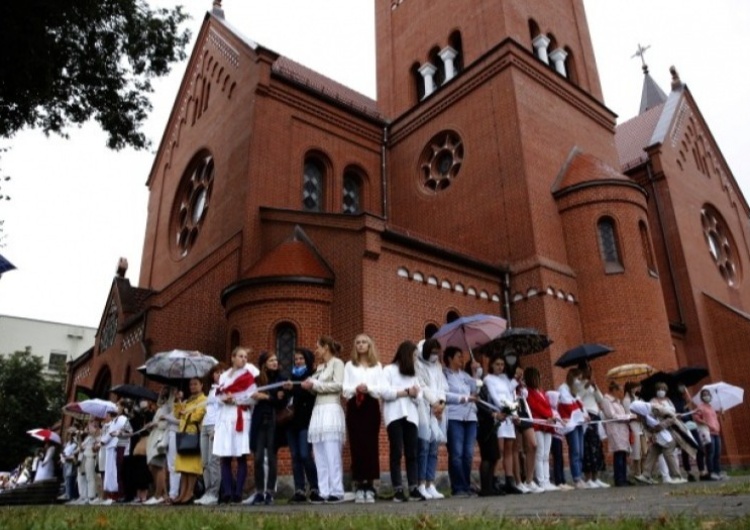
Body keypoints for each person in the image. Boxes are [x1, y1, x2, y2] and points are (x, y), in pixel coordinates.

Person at [301, 336, 346, 503]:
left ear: (326, 347)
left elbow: (338, 385)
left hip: (331, 408)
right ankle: (324, 490)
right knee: (319, 452)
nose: (316, 350)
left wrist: (315, 385)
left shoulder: (338, 363)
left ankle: (336, 490)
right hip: (318, 410)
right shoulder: (320, 367)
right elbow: (315, 390)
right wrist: (309, 385)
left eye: (318, 347)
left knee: (331, 451)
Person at [213, 346, 259, 504]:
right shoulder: (224, 376)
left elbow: (252, 398)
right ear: (233, 357)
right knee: (225, 456)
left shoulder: (248, 375)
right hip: (225, 417)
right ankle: (227, 491)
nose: (244, 359)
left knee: (240, 455)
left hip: (240, 416)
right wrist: (224, 399)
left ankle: (238, 492)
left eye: (246, 357)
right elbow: (218, 395)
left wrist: (236, 400)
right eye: (241, 356)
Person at [342, 333, 383, 503]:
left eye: (364, 342)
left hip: (371, 405)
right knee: (357, 445)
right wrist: (356, 388)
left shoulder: (377, 366)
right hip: (355, 406)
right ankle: (359, 486)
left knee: (371, 445)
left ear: (369, 345)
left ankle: (370, 486)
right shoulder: (350, 366)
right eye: (357, 342)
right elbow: (344, 388)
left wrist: (369, 387)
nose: (360, 345)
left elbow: (381, 387)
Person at [381, 340, 422, 502]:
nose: (416, 359)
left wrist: (414, 394)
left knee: (412, 453)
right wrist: (407, 392)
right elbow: (385, 392)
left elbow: (419, 396)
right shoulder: (389, 370)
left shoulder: (413, 374)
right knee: (396, 452)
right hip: (394, 416)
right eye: (414, 356)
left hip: (412, 416)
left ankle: (413, 488)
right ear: (406, 355)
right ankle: (398, 489)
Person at [246, 352, 285, 506]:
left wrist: (266, 397)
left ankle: (269, 492)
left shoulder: (281, 379)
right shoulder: (257, 380)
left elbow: (282, 402)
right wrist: (264, 396)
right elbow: (250, 397)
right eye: (271, 360)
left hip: (273, 421)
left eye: (276, 359)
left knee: (272, 457)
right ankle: (259, 491)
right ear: (264, 364)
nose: (275, 362)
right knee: (258, 457)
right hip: (259, 420)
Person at [284, 348, 322, 504]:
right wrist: (285, 392)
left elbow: (309, 395)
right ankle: (299, 489)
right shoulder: (290, 378)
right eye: (296, 359)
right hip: (291, 423)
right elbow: (287, 399)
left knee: (305, 455)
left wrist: (295, 388)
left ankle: (314, 488)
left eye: (301, 359)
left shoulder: (312, 377)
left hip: (306, 421)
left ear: (307, 360)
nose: (298, 361)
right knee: (295, 457)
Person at [442, 346, 478, 497]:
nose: (462, 359)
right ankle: (458, 487)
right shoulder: (444, 374)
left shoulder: (465, 375)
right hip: (454, 417)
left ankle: (466, 485)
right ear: (450, 358)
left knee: (468, 454)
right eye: (458, 356)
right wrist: (463, 398)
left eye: (462, 357)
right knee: (456, 453)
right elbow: (445, 395)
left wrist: (475, 373)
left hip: (470, 417)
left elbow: (475, 391)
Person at [484, 353, 522, 494]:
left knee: (509, 449)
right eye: (497, 364)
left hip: (509, 416)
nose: (500, 367)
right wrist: (506, 409)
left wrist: (514, 413)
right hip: (499, 415)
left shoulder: (505, 379)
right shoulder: (488, 379)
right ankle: (494, 479)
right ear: (491, 365)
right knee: (499, 450)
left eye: (502, 364)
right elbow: (495, 397)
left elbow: (509, 394)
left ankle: (509, 480)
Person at [415, 338, 447, 500]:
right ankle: (421, 483)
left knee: (434, 448)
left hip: (437, 410)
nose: (435, 356)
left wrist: (441, 403)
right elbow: (421, 385)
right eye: (433, 353)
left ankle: (431, 483)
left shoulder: (438, 366)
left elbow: (442, 386)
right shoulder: (418, 363)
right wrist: (434, 402)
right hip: (424, 408)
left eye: (437, 353)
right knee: (424, 447)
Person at [194, 362, 227, 506]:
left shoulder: (226, 389)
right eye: (216, 373)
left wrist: (218, 428)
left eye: (222, 372)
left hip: (215, 426)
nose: (219, 375)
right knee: (205, 462)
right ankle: (207, 492)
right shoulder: (211, 391)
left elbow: (224, 411)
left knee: (214, 462)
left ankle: (214, 493)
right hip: (205, 426)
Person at [629, 400, 684, 485]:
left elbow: (672, 417)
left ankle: (677, 476)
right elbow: (647, 428)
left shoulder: (656, 408)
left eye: (635, 412)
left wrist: (660, 426)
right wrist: (652, 433)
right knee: (652, 452)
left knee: (668, 453)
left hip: (669, 434)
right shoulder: (643, 416)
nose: (636, 414)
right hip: (658, 437)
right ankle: (646, 475)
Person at [524, 366, 558, 491]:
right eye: (538, 376)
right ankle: (541, 480)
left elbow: (547, 406)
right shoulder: (529, 392)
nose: (540, 378)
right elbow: (535, 406)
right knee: (539, 453)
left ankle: (547, 480)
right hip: (538, 424)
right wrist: (548, 416)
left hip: (547, 424)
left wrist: (551, 416)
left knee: (546, 454)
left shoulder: (542, 392)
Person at [174, 377, 207, 504]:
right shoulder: (188, 401)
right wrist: (178, 401)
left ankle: (190, 493)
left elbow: (198, 415)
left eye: (195, 384)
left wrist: (186, 412)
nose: (192, 386)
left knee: (192, 467)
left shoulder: (203, 400)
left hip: (193, 435)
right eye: (191, 384)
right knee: (183, 468)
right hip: (184, 434)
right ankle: (182, 493)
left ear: (201, 385)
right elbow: (177, 414)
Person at [576, 365, 609, 488]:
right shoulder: (578, 384)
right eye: (587, 370)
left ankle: (596, 477)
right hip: (586, 414)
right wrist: (585, 386)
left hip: (595, 415)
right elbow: (578, 398)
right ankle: (588, 477)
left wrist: (595, 388)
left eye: (590, 370)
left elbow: (600, 399)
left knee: (596, 446)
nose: (589, 372)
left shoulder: (592, 384)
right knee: (588, 446)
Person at [512, 363, 541, 493]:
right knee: (516, 448)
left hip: (524, 410)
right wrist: (514, 380)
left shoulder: (521, 383)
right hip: (512, 409)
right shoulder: (509, 380)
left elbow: (525, 395)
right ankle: (518, 481)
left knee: (533, 445)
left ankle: (529, 480)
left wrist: (522, 385)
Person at [144, 386, 175, 505]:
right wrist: (151, 426)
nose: (161, 392)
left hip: (161, 438)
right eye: (161, 390)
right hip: (154, 437)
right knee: (153, 465)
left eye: (163, 391)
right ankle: (163, 494)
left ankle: (157, 496)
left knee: (159, 466)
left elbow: (165, 423)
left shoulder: (169, 406)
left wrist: (155, 424)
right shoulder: (161, 407)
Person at [599, 381, 633, 487]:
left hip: (622, 429)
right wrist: (626, 417)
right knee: (618, 453)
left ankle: (624, 477)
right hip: (615, 429)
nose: (621, 392)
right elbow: (611, 415)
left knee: (623, 453)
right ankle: (619, 479)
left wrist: (628, 416)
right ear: (614, 390)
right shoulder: (607, 400)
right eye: (620, 390)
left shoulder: (618, 401)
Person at [557, 368, 586, 489]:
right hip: (570, 424)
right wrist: (580, 413)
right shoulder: (563, 388)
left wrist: (585, 414)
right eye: (578, 379)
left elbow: (580, 404)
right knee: (575, 450)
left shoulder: (575, 391)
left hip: (578, 422)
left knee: (581, 451)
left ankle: (580, 475)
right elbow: (568, 405)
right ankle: (576, 477)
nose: (579, 381)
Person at [685, 387, 722, 481]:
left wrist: (720, 413)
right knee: (711, 453)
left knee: (717, 453)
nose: (707, 396)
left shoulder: (711, 407)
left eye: (708, 394)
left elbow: (713, 418)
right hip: (708, 432)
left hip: (716, 432)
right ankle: (711, 472)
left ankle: (718, 472)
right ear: (702, 397)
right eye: (704, 395)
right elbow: (696, 417)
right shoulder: (700, 407)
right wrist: (707, 424)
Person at [622, 382, 646, 482]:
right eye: (635, 387)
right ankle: (637, 473)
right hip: (634, 426)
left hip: (641, 427)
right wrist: (638, 417)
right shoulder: (626, 400)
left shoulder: (637, 399)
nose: (637, 389)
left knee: (644, 451)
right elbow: (628, 414)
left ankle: (643, 472)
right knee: (637, 452)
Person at [61, 429, 79, 501]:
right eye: (68, 435)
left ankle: (71, 496)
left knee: (70, 479)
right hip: (65, 463)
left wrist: (68, 457)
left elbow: (74, 454)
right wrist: (62, 456)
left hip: (71, 463)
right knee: (66, 479)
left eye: (71, 435)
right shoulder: (67, 444)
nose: (69, 436)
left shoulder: (75, 444)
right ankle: (67, 494)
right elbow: (64, 452)